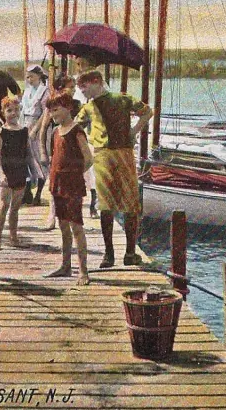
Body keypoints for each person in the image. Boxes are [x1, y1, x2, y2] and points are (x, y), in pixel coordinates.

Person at [75, 57, 153, 267]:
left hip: (124, 154)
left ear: (97, 82)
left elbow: (147, 111)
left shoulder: (122, 99)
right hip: (102, 156)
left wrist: (134, 130)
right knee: (106, 205)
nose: (83, 92)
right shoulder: (89, 107)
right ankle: (109, 255)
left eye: (85, 87)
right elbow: (75, 128)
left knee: (130, 205)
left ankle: (129, 253)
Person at [42, 91, 93, 285]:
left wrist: (75, 174)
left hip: (72, 186)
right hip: (57, 185)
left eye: (56, 110)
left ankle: (83, 270)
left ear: (68, 108)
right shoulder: (55, 132)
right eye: (51, 112)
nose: (53, 115)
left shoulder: (76, 130)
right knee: (63, 227)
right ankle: (65, 265)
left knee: (76, 227)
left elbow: (88, 159)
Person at [0, 95, 42, 251]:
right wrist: (1, 174)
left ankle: (14, 237)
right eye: (9, 110)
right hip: (6, 172)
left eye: (16, 110)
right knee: (3, 205)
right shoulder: (1, 132)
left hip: (20, 171)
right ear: (3, 113)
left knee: (15, 208)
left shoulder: (24, 131)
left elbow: (29, 154)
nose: (13, 113)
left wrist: (36, 172)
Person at [20, 65, 49, 205]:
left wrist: (35, 129)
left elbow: (46, 113)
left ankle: (38, 193)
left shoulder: (45, 91)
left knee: (38, 160)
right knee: (25, 159)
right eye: (27, 77)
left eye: (31, 76)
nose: (29, 79)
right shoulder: (27, 91)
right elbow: (22, 109)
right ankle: (27, 192)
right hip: (25, 123)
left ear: (38, 76)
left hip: (37, 126)